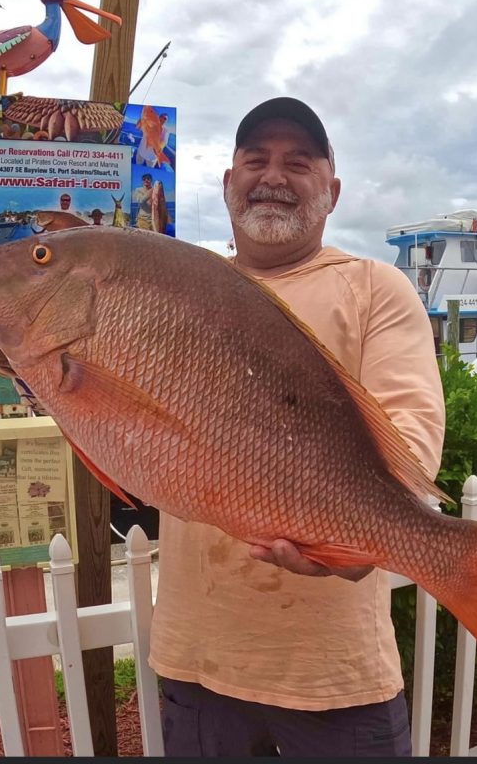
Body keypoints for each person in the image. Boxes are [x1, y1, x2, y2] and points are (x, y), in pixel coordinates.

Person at [148, 97, 446, 758]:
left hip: (336, 680)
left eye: (298, 163)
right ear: (228, 184)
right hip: (197, 666)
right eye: (256, 160)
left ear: (332, 191)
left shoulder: (374, 288)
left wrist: (352, 541)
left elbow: (412, 439)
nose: (273, 176)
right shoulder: (178, 289)